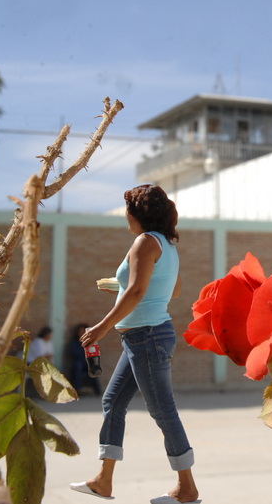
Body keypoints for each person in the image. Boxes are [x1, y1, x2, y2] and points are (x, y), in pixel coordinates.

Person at [70, 184, 200, 504]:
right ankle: (103, 480)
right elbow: (171, 290)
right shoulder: (166, 245)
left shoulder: (144, 242)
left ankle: (187, 487)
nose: (125, 216)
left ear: (137, 213)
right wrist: (120, 287)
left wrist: (101, 327)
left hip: (148, 337)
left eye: (127, 209)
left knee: (162, 410)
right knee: (113, 401)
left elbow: (138, 291)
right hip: (143, 337)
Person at [68, 324, 102, 396]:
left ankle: (97, 389)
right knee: (78, 367)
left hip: (87, 361)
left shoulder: (89, 342)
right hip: (79, 361)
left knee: (93, 367)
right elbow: (74, 353)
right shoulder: (74, 342)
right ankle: (77, 390)